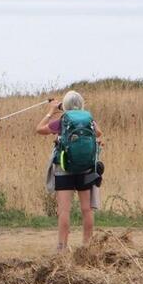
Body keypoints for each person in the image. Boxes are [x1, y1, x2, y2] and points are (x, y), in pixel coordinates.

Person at [36, 90, 103, 251]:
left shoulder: (62, 121)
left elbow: (39, 129)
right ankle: (87, 246)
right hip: (85, 168)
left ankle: (62, 247)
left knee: (64, 210)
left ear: (65, 106)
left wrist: (51, 112)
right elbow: (99, 133)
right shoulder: (88, 119)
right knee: (86, 209)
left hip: (63, 168)